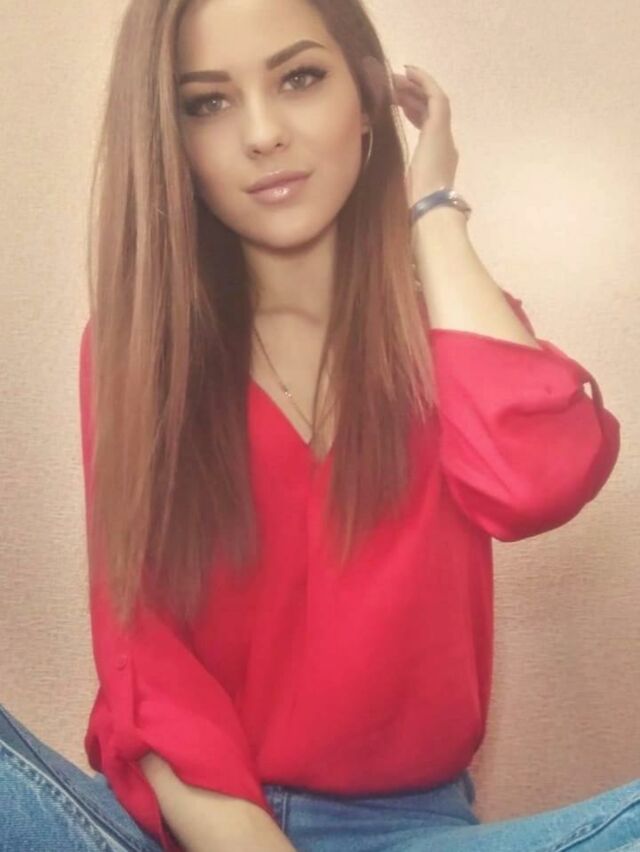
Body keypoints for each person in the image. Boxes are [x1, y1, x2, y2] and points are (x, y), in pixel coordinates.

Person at [2, 0, 639, 850]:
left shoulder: (456, 333)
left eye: (299, 78)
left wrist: (435, 210)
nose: (263, 134)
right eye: (207, 102)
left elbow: (534, 484)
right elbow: (143, 654)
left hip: (406, 831)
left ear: (367, 101)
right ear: (172, 143)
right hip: (185, 826)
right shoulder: (135, 351)